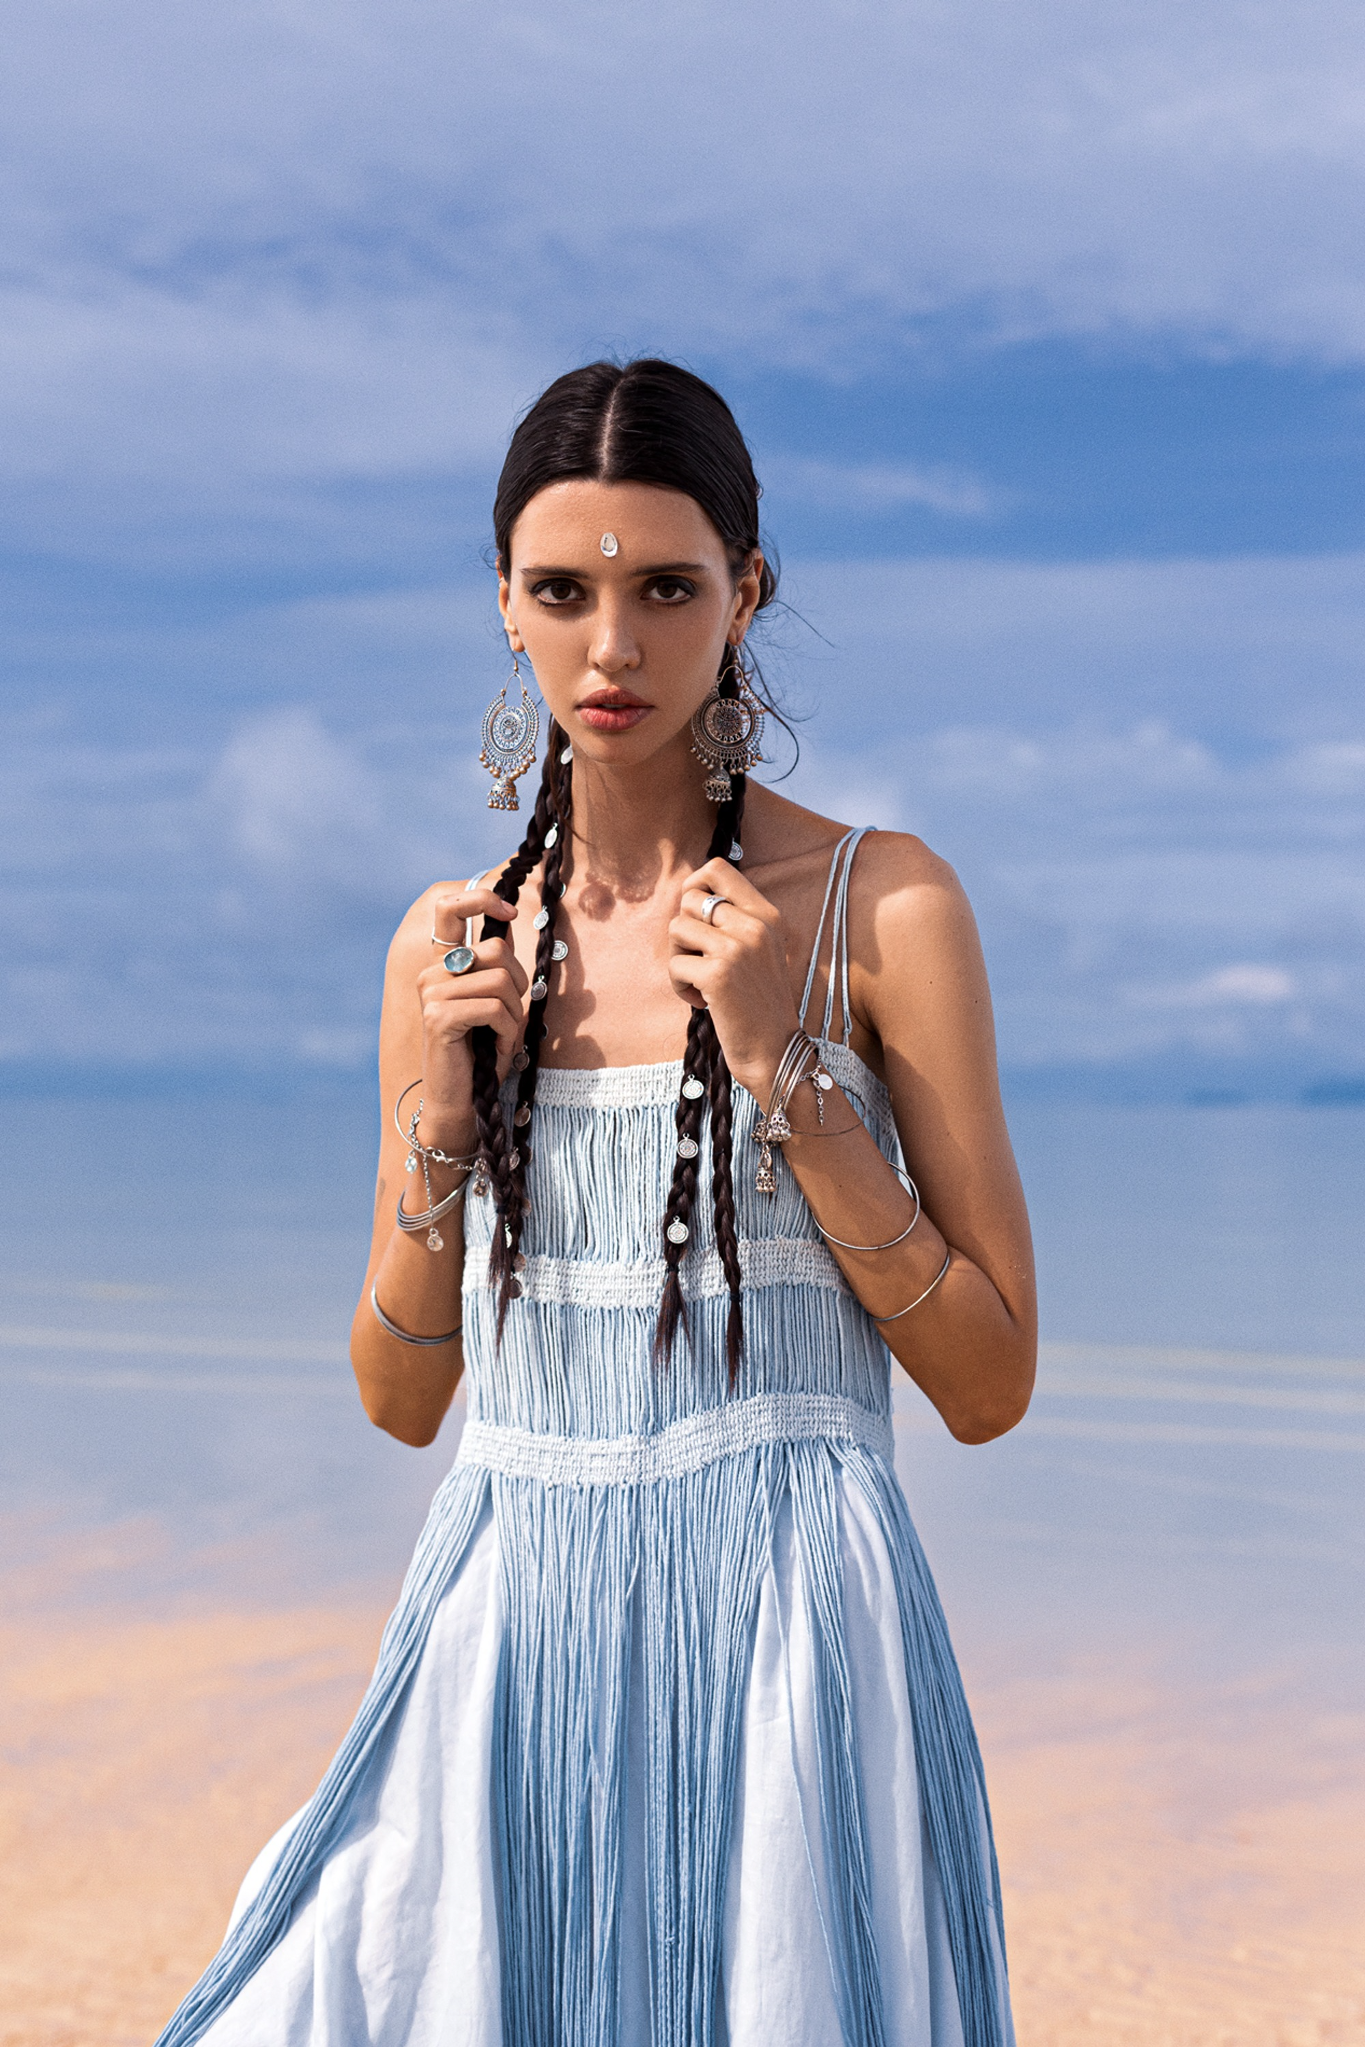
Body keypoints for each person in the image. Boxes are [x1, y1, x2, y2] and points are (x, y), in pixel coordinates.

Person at [158, 358, 1036, 2047]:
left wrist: (785, 1071)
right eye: (563, 591)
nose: (613, 647)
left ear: (748, 592)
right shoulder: (452, 943)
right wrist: (440, 1120)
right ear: (503, 605)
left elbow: (992, 1383)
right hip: (514, 1620)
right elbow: (403, 1394)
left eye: (666, 589)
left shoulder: (886, 906)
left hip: (794, 1635)